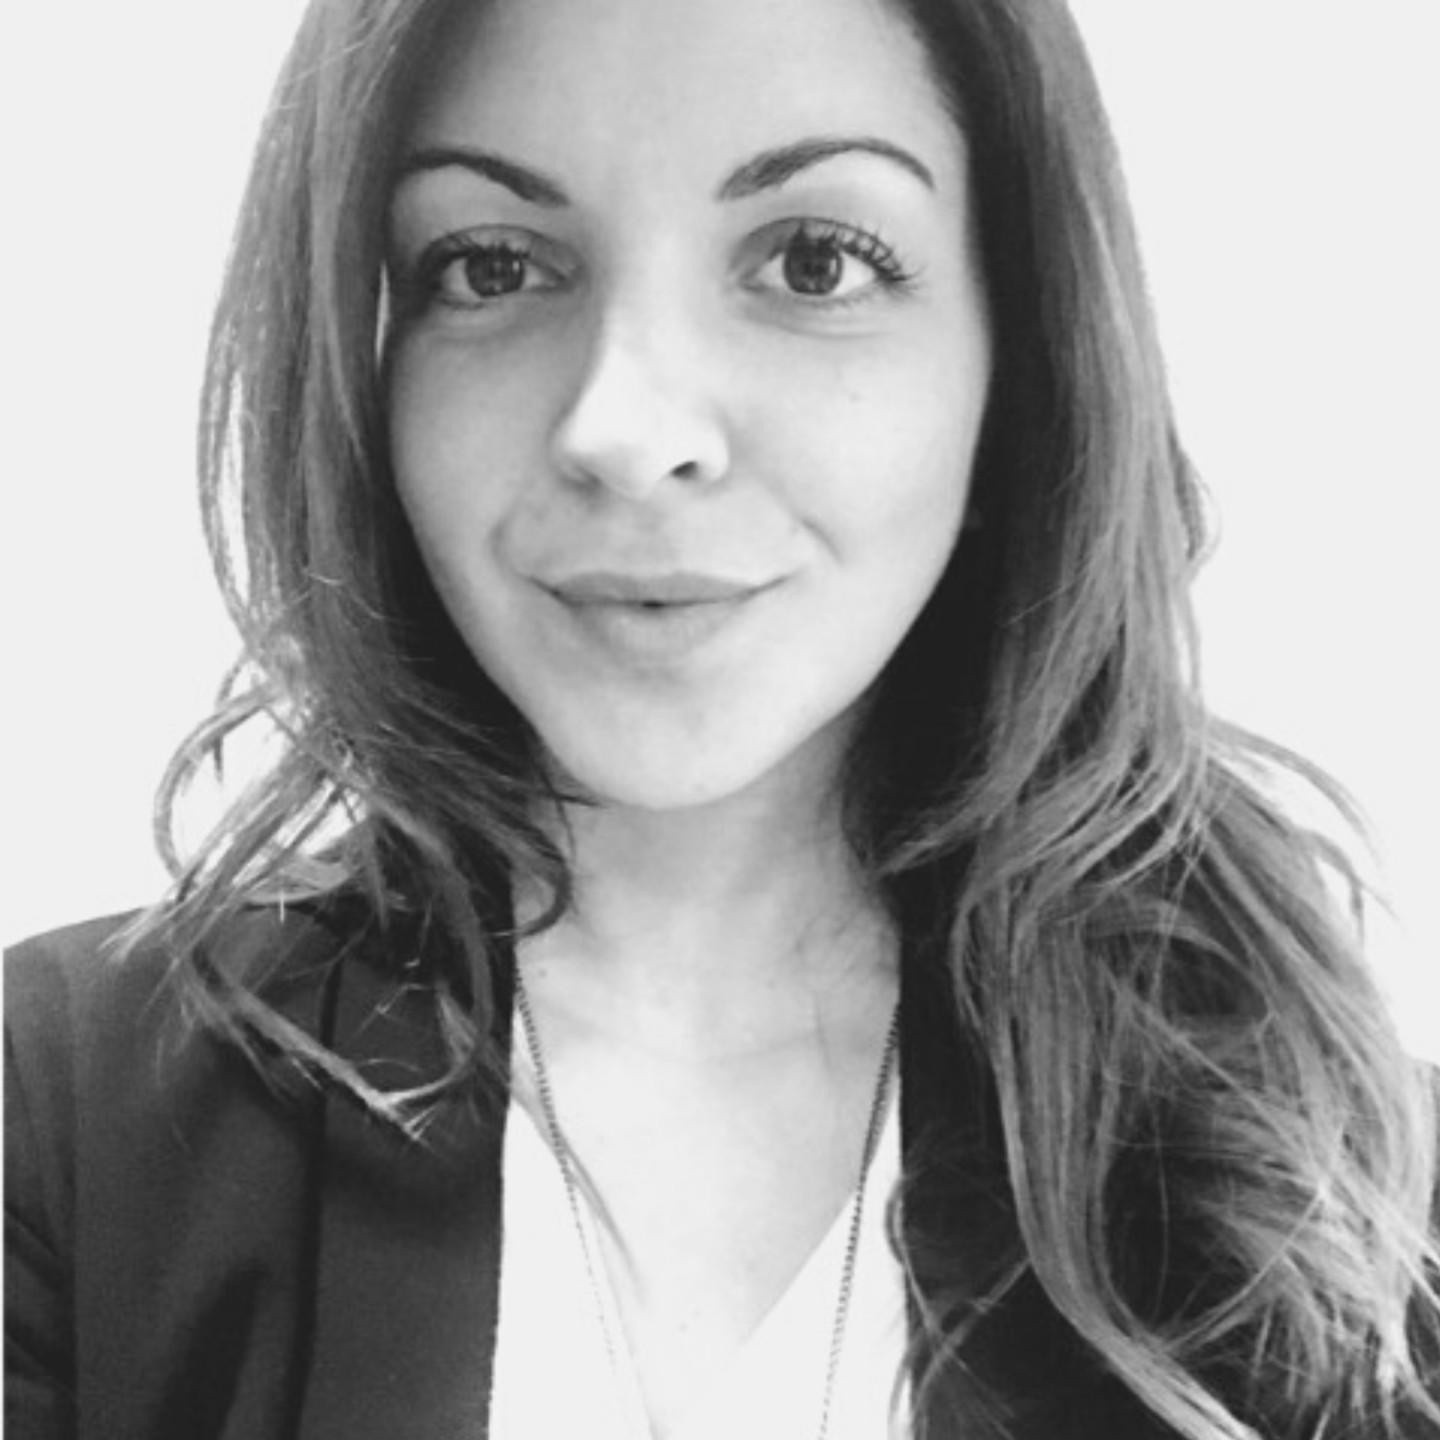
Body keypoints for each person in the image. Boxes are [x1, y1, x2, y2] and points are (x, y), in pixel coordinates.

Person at [5, 0, 1438, 1435]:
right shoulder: (63, 1126)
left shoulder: (1352, 1206)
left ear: (1021, 356)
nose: (626, 431)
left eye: (816, 260)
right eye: (493, 263)